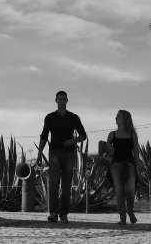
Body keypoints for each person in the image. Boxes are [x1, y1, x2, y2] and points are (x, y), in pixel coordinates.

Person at [36, 91, 87, 223]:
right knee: (54, 183)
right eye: (60, 99)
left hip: (69, 153)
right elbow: (43, 136)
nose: (62, 101)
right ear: (56, 100)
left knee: (66, 185)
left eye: (64, 99)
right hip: (54, 152)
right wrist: (39, 154)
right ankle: (53, 213)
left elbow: (83, 136)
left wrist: (72, 141)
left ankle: (64, 214)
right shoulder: (50, 117)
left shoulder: (73, 118)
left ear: (67, 100)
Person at [102, 110, 139, 225]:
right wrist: (106, 157)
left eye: (118, 116)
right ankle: (122, 218)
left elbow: (136, 153)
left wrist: (137, 167)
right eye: (116, 116)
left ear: (125, 119)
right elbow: (105, 152)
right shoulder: (112, 135)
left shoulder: (133, 134)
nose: (116, 118)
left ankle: (130, 211)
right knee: (119, 192)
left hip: (129, 164)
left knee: (130, 191)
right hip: (116, 165)